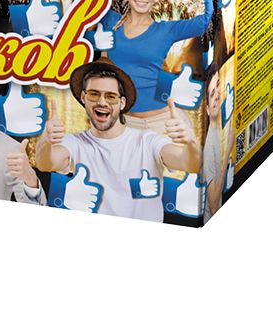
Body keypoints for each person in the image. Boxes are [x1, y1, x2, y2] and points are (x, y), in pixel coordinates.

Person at [68, 0, 213, 134]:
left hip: (161, 122)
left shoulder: (166, 30)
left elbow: (206, 19)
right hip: (121, 123)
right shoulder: (111, 21)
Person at [35, 58, 201, 222]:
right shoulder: (75, 143)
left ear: (122, 103)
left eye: (111, 96)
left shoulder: (148, 142)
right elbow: (46, 163)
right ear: (83, 97)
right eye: (94, 94)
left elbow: (190, 163)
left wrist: (191, 141)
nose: (102, 102)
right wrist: (45, 141)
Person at [201, 62, 234, 220]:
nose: (217, 95)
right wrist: (227, 152)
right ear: (207, 109)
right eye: (212, 93)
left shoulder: (219, 129)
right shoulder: (209, 146)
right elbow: (213, 206)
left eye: (218, 85)